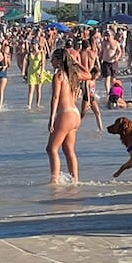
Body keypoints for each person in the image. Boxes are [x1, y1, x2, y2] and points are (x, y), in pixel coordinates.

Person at [46, 48, 88, 184]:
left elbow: (55, 97)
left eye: (53, 59)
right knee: (68, 149)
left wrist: (51, 118)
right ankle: (75, 180)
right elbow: (88, 74)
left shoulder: (59, 76)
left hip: (65, 115)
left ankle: (55, 180)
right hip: (75, 115)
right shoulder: (73, 74)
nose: (50, 61)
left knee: (52, 148)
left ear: (59, 61)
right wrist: (76, 62)